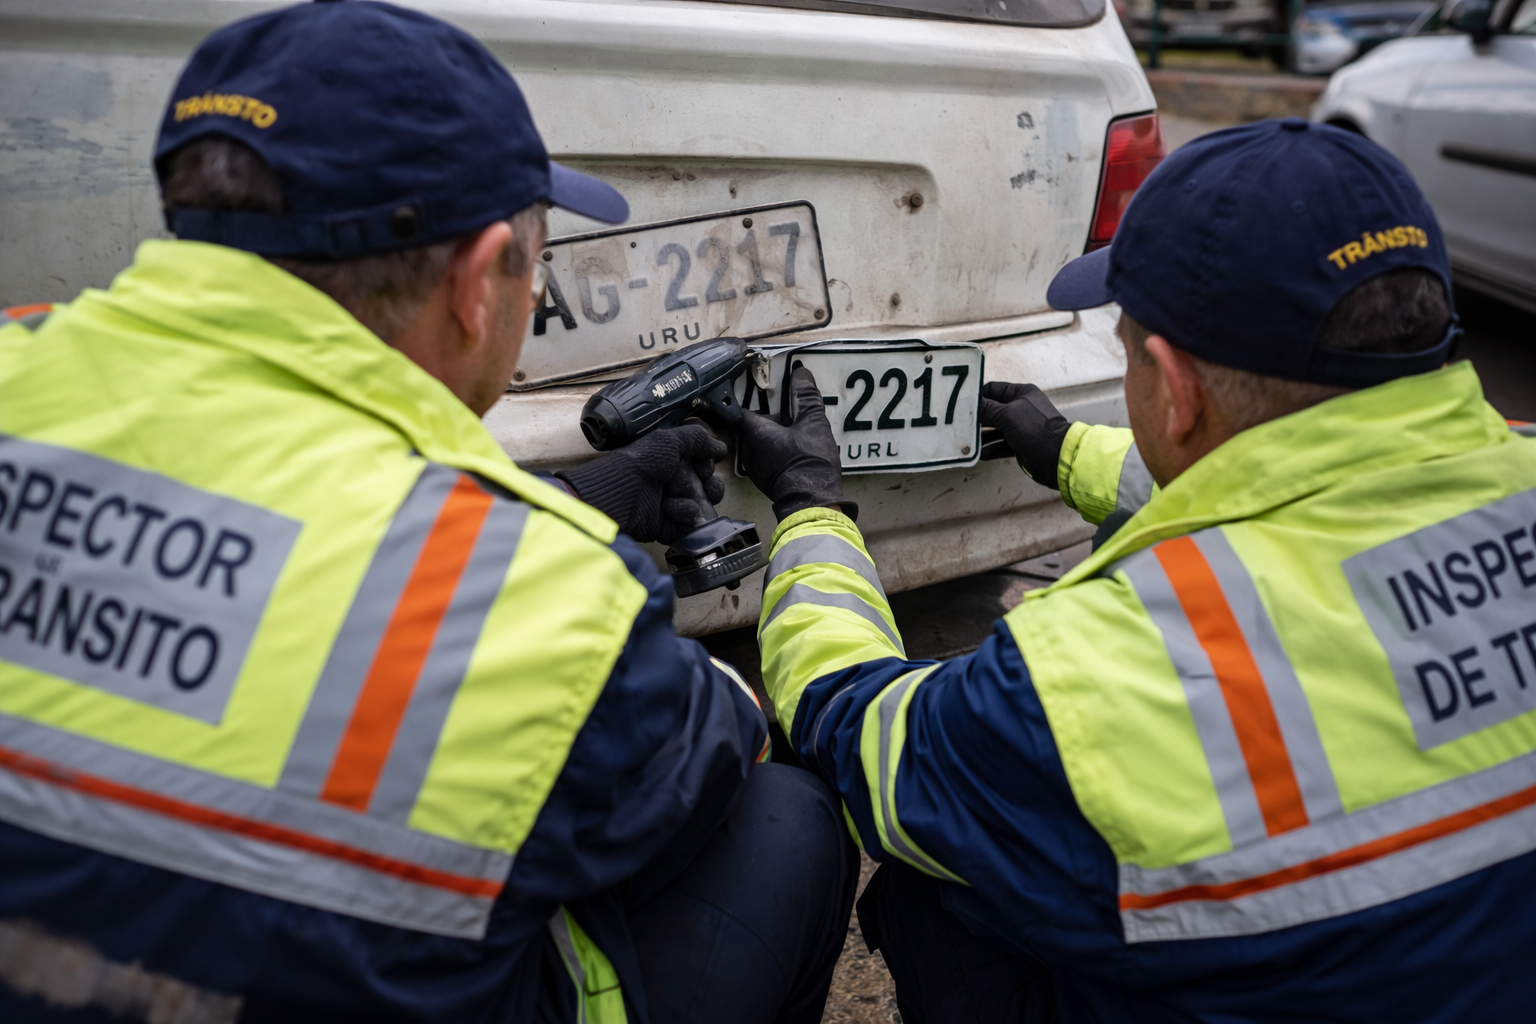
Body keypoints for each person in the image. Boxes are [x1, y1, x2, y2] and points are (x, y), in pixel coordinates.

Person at [0, 3, 857, 1022]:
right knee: (788, 818)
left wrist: (556, 501)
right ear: (474, 279)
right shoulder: (552, 603)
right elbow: (712, 748)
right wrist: (783, 527)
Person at [734, 118, 1536, 1022]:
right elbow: (1304, 479)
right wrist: (1067, 450)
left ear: (1174, 385)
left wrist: (810, 511)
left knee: (938, 892)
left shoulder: (1100, 678)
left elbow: (855, 725)